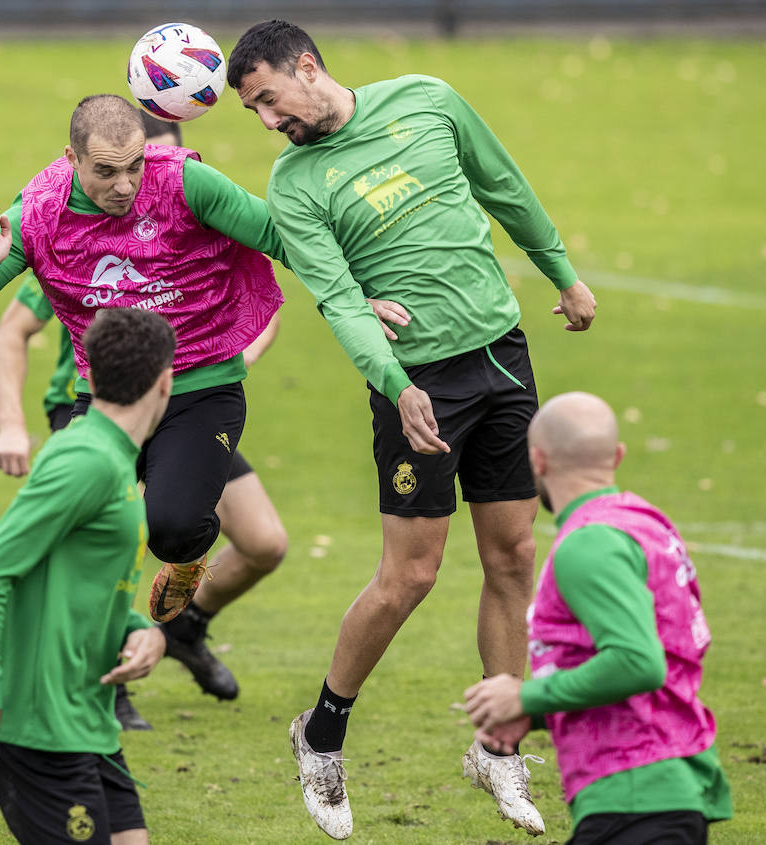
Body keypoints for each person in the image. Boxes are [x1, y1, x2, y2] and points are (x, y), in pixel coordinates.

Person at [227, 20, 597, 839]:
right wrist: (396, 385)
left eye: (267, 99)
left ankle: (498, 747)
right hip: (417, 384)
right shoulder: (295, 185)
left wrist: (562, 274)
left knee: (513, 554)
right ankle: (321, 733)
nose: (266, 121)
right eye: (253, 110)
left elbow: (504, 186)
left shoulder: (427, 101)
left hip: (499, 355)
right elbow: (335, 300)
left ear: (307, 67)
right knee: (411, 577)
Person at [0, 93, 286, 638]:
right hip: (106, 398)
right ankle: (90, 664)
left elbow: (283, 235)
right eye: (105, 171)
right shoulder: (41, 214)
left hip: (200, 386)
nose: (124, 185)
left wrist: (363, 296)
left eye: (135, 166)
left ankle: (186, 559)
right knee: (71, 537)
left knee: (172, 528)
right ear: (70, 159)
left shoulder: (185, 182)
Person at [0, 307, 177, 845]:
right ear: (167, 381)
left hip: (87, 719)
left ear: (88, 375)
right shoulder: (85, 460)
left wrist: (142, 629)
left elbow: (83, 581)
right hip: (41, 731)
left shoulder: (112, 457)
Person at [463, 392, 732, 844]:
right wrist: (537, 715)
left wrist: (527, 697)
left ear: (537, 461)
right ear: (618, 456)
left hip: (634, 797)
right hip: (662, 787)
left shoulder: (587, 544)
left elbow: (639, 662)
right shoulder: (646, 522)